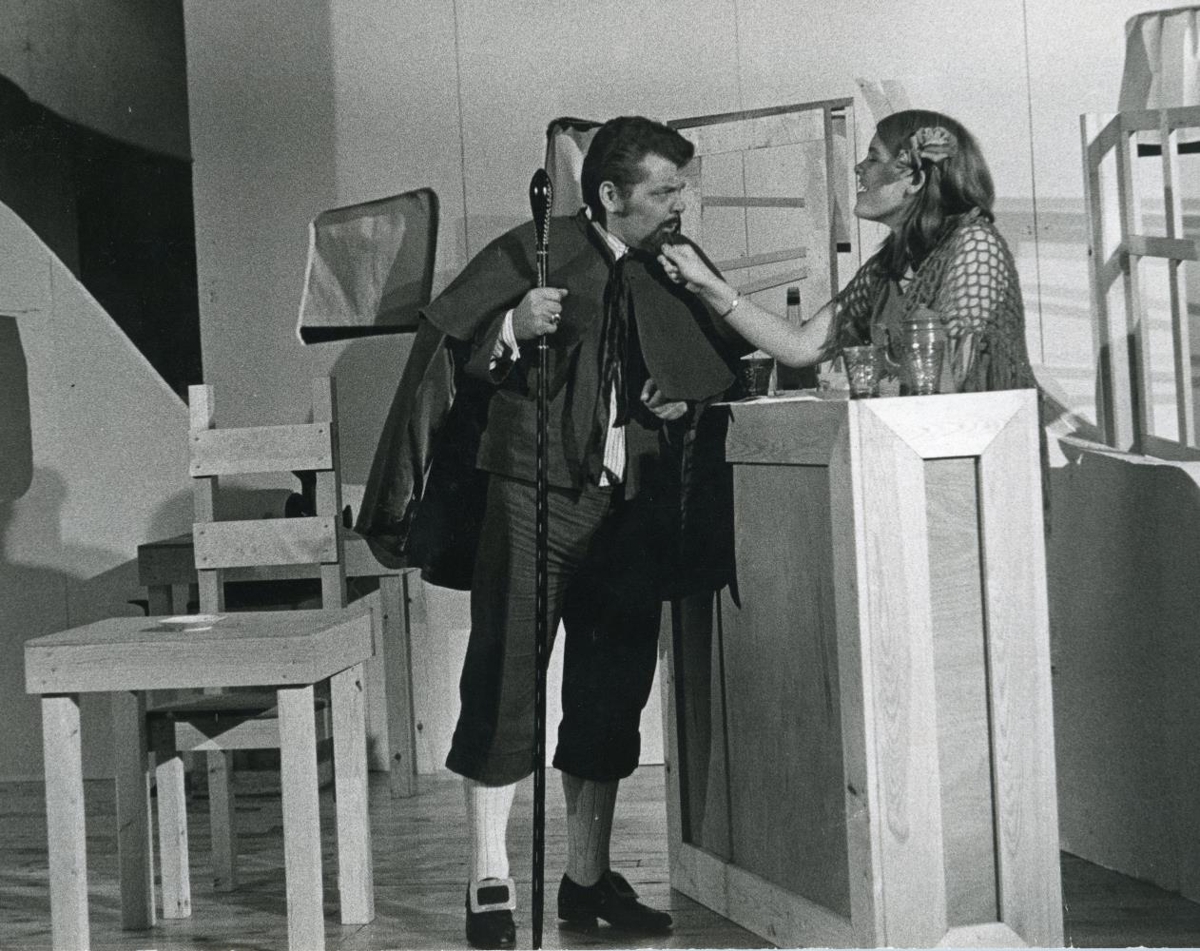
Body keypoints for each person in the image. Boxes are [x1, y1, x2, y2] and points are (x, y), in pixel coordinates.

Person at [357, 115, 747, 949]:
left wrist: (678, 397)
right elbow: (450, 353)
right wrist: (510, 328)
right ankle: (488, 879)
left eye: (682, 188)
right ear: (610, 195)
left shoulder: (677, 264)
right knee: (505, 678)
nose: (681, 204)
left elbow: (714, 359)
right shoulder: (534, 252)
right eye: (664, 191)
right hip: (531, 494)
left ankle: (587, 878)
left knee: (613, 688)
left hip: (629, 507)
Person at [659, 109, 1037, 394]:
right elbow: (800, 346)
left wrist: (868, 384)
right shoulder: (886, 269)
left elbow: (952, 380)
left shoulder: (974, 245)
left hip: (984, 455)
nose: (859, 168)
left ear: (915, 179)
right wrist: (708, 284)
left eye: (873, 158)